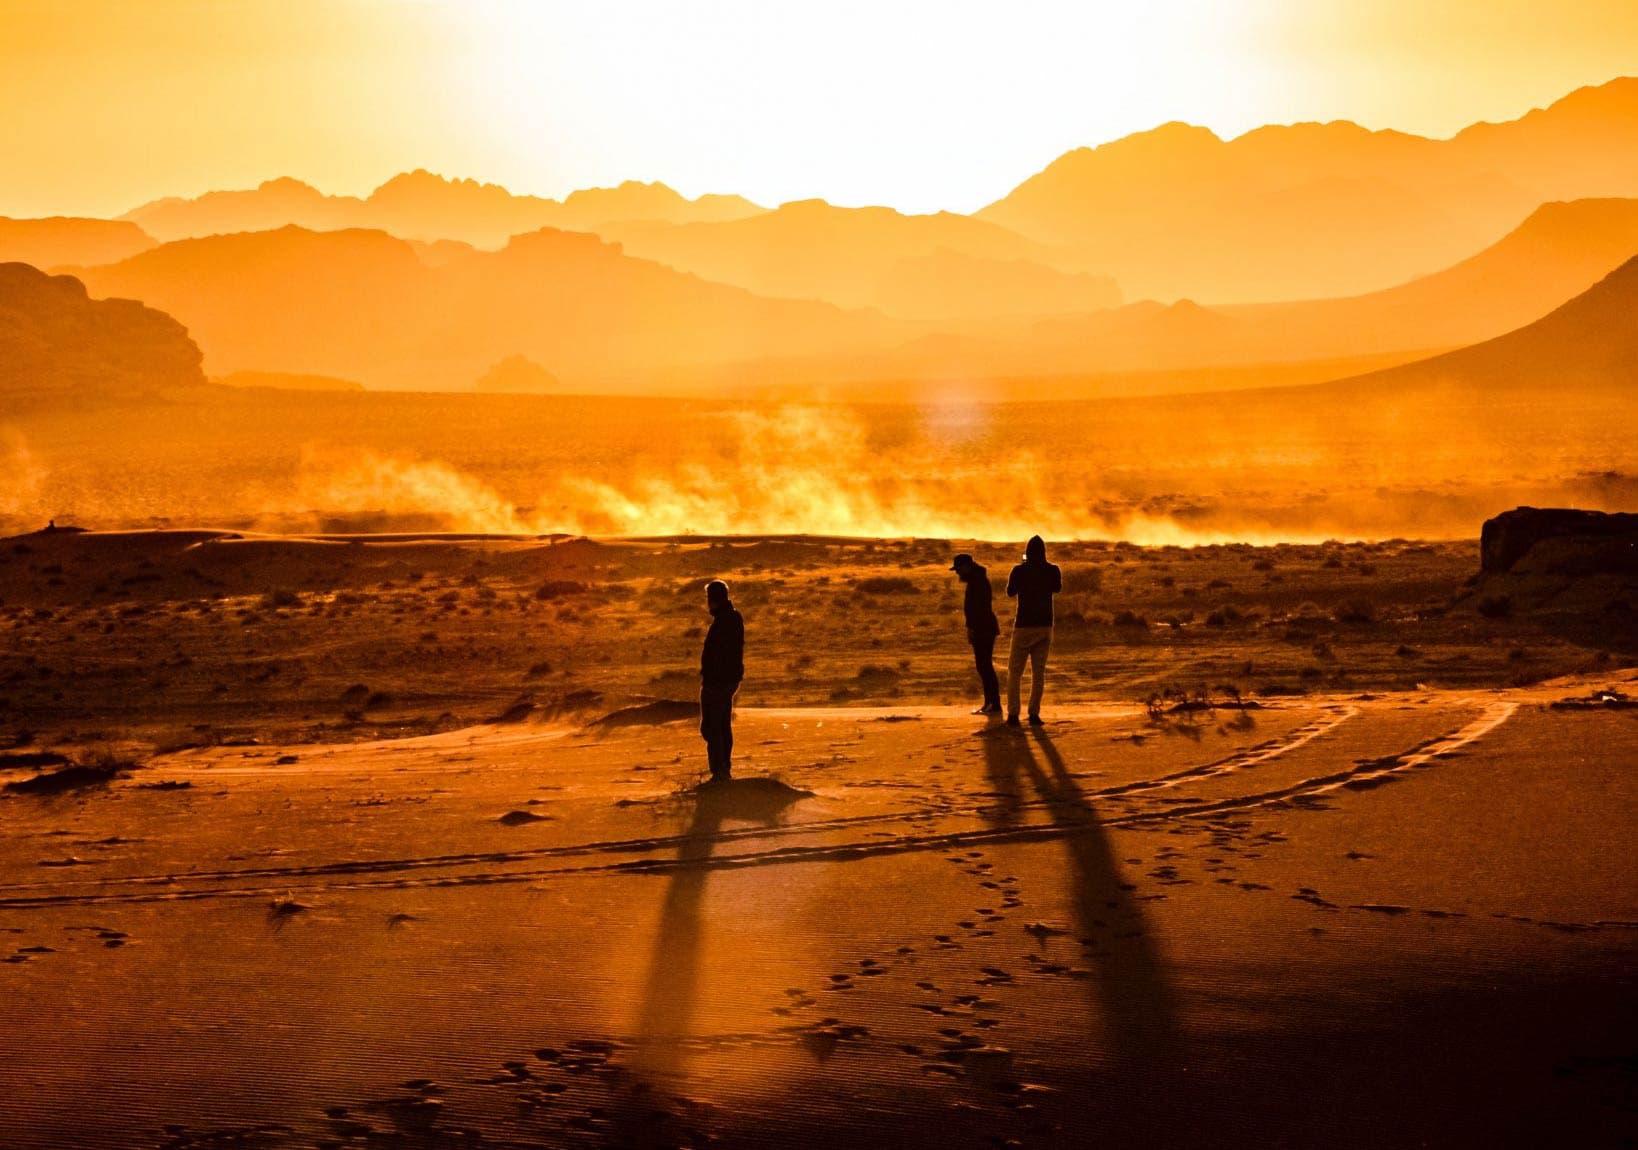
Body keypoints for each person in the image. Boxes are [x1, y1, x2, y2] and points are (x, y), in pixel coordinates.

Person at [1005, 535, 1062, 727]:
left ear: (1027, 552)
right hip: (1045, 625)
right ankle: (1034, 713)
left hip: (1024, 625)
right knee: (1038, 673)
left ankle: (1013, 714)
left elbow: (1010, 592)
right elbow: (1057, 588)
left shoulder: (1019, 570)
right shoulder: (1052, 570)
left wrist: (1023, 569)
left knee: (1015, 672)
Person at [698, 579, 744, 780]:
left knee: (713, 726)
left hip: (718, 681)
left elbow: (722, 654)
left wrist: (712, 678)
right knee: (720, 725)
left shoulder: (726, 620)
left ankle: (720, 770)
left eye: (709, 598)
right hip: (725, 679)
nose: (707, 602)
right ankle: (723, 767)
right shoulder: (729, 618)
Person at [950, 553, 1001, 714]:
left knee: (984, 666)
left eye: (958, 569)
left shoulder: (977, 582)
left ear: (967, 566)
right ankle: (990, 703)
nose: (958, 573)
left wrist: (973, 628)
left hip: (983, 629)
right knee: (984, 666)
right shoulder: (977, 580)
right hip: (983, 628)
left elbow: (979, 608)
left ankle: (993, 703)